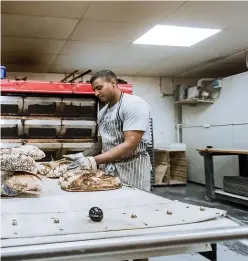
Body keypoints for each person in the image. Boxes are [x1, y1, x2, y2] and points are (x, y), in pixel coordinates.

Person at [64, 69, 152, 192]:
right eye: (94, 89)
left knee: (132, 208)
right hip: (108, 170)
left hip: (132, 169)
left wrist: (92, 161)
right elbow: (101, 143)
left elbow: (130, 146)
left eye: (99, 88)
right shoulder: (103, 112)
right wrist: (82, 156)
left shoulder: (133, 104)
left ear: (113, 83)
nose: (96, 93)